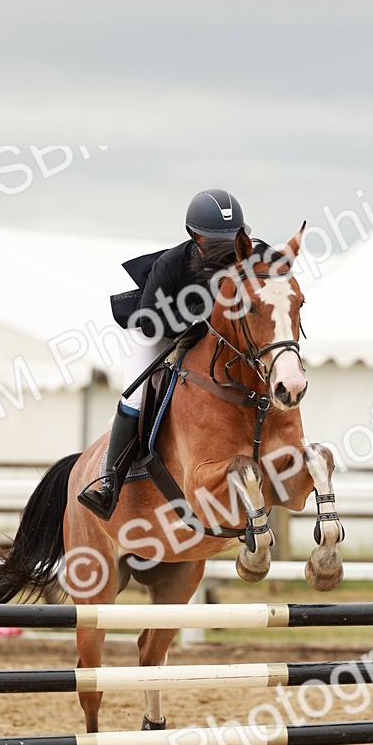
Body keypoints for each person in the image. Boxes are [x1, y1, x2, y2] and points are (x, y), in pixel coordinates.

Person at [78, 188, 250, 519]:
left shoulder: (247, 256)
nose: (227, 250)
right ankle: (108, 483)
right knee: (138, 396)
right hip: (156, 329)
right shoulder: (170, 265)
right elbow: (148, 320)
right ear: (195, 236)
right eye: (217, 241)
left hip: (213, 336)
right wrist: (195, 317)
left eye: (233, 240)